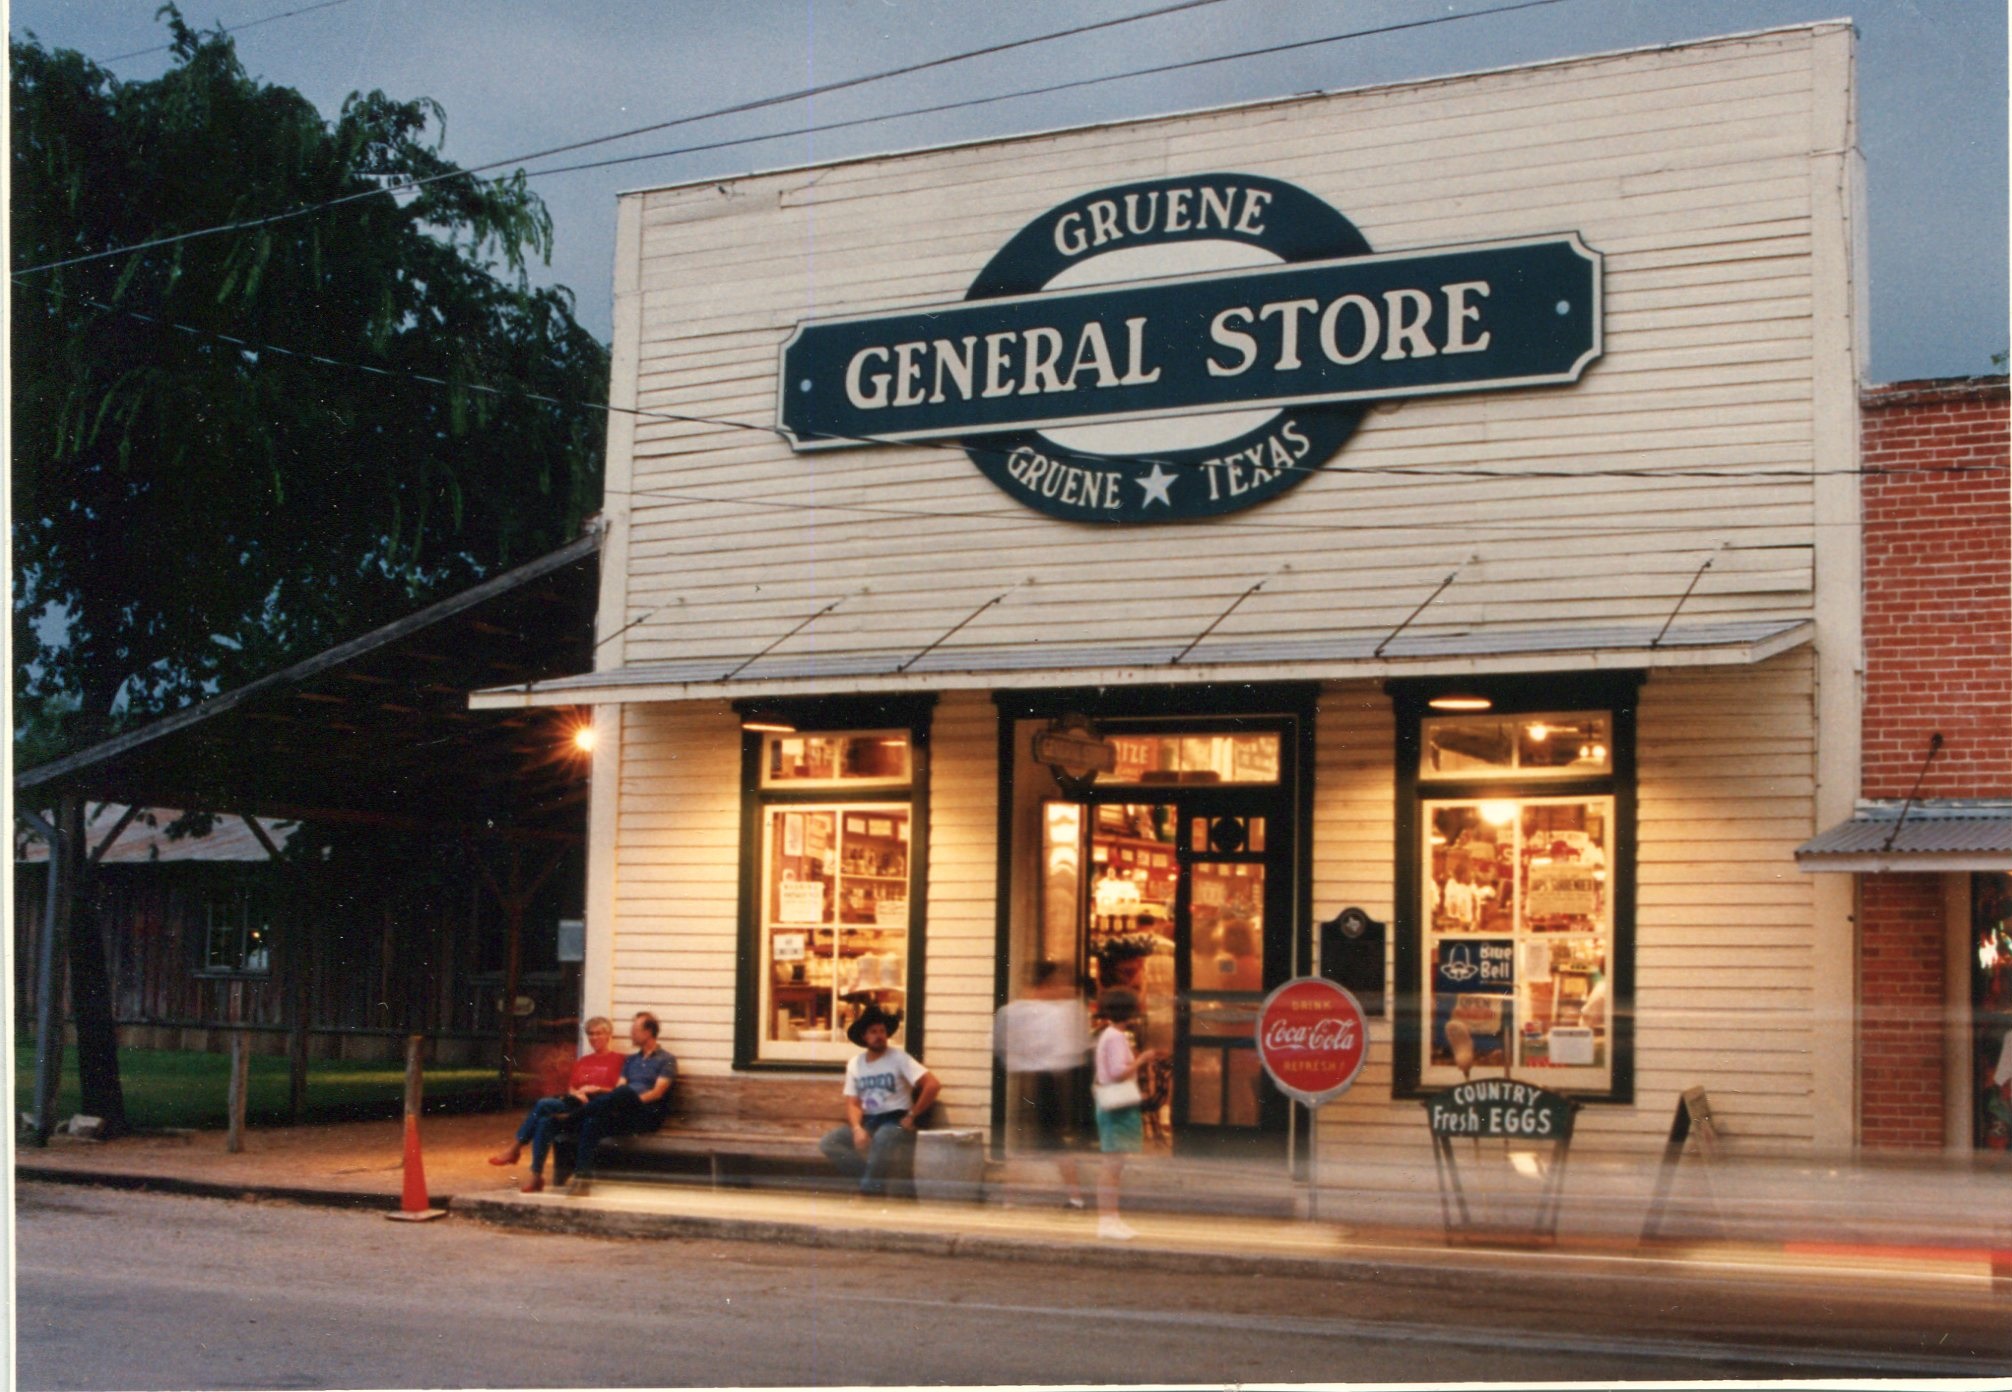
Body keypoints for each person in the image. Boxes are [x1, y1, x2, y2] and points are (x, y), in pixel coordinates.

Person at [993, 961, 1091, 1208]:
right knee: (1055, 1141)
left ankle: (1009, 1199)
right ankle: (1075, 1195)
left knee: (1020, 1142)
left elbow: (1000, 1046)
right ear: (1048, 983)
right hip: (1047, 1080)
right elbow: (1072, 1050)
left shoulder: (1011, 1011)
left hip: (1022, 1079)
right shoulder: (1058, 1012)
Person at [488, 1015, 623, 1194]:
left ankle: (515, 1149)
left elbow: (621, 1091)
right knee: (544, 1119)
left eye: (599, 1033)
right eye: (591, 1034)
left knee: (544, 1107)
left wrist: (597, 1089)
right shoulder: (583, 1061)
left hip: (598, 1106)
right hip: (577, 1103)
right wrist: (578, 1093)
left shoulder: (619, 1060)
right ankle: (535, 1176)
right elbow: (571, 1088)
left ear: (608, 1036)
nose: (594, 1038)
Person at [819, 1002, 940, 1198]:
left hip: (896, 1120)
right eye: (873, 1031)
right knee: (829, 1142)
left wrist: (912, 1115)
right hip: (870, 1121)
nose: (879, 1035)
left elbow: (932, 1085)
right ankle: (872, 1183)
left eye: (882, 1031)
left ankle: (869, 1192)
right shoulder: (855, 1064)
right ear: (864, 1037)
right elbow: (853, 1102)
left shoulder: (899, 1058)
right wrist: (857, 1129)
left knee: (883, 1138)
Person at [569, 1011, 677, 1185]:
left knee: (625, 1093)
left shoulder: (667, 1060)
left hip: (647, 1114)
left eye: (634, 1030)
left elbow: (657, 1093)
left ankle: (569, 1120)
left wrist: (630, 1101)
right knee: (592, 1123)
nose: (630, 1034)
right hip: (625, 1112)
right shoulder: (631, 1060)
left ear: (648, 1032)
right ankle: (582, 1178)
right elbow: (619, 1087)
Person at [1091, 988, 1158, 1241]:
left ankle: (1112, 1219)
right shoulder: (1116, 1038)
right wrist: (1142, 1059)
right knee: (1112, 1165)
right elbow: (1119, 1072)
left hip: (1111, 1104)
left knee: (1114, 1164)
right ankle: (1108, 1221)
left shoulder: (1108, 1035)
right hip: (1117, 1107)